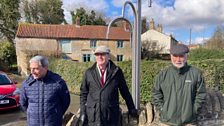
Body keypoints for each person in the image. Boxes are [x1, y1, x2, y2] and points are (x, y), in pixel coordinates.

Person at [80, 45, 138, 126]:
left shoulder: (117, 72)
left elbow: (125, 92)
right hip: (93, 116)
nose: (100, 57)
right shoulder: (89, 73)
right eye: (97, 54)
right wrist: (83, 112)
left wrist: (131, 108)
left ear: (108, 56)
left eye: (102, 54)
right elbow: (83, 94)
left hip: (111, 116)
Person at [152, 44, 206, 126]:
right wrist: (163, 109)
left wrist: (193, 111)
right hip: (167, 121)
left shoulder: (196, 73)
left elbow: (201, 94)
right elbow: (156, 93)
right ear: (171, 56)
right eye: (175, 56)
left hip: (189, 122)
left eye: (181, 56)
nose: (178, 59)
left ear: (186, 56)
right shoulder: (163, 74)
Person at [20, 55, 70, 126]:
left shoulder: (58, 82)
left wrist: (56, 115)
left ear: (45, 68)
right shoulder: (27, 83)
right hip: (33, 123)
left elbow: (65, 102)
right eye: (31, 68)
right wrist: (32, 114)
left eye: (36, 68)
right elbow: (23, 103)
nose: (32, 72)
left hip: (53, 123)